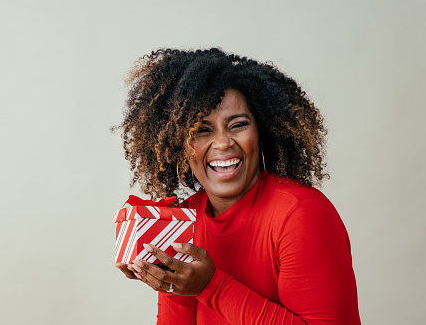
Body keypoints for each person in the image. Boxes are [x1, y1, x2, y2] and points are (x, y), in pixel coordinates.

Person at [114, 48, 361, 324]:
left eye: (238, 125)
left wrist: (211, 287)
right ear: (179, 145)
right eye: (202, 130)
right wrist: (169, 280)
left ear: (263, 131)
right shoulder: (184, 221)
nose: (222, 143)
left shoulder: (301, 215)